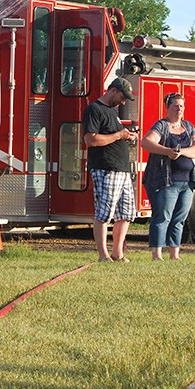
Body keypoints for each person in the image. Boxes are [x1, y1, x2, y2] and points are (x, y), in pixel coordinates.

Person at [140, 93, 195, 261]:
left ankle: (175, 254)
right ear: (167, 107)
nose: (179, 109)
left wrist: (181, 152)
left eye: (181, 106)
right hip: (166, 180)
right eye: (175, 105)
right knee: (162, 217)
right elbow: (146, 142)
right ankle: (157, 254)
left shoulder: (188, 127)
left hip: (187, 181)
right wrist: (167, 152)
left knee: (179, 218)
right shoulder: (162, 126)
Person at [82, 77, 139, 263]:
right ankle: (103, 255)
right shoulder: (95, 109)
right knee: (104, 214)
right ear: (113, 90)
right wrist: (118, 135)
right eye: (122, 97)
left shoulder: (112, 112)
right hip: (105, 169)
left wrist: (127, 136)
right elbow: (91, 140)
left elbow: (116, 136)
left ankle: (118, 253)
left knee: (126, 213)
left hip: (122, 169)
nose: (123, 102)